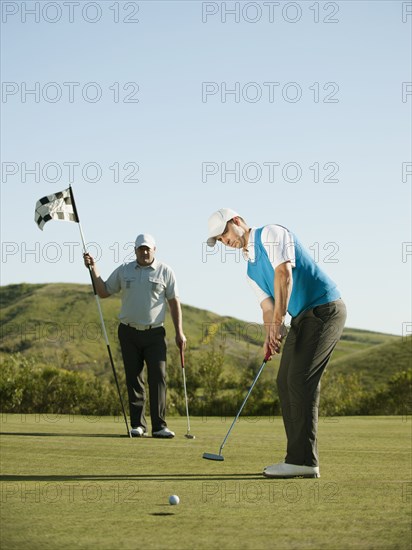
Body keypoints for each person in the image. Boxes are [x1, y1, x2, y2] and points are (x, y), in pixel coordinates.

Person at [206, 208, 347, 478]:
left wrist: (280, 319)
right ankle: (298, 459)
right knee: (284, 380)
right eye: (220, 241)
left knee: (299, 378)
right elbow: (268, 309)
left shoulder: (270, 233)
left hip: (326, 309)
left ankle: (304, 461)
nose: (226, 242)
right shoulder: (249, 271)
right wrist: (270, 335)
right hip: (303, 318)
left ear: (237, 221)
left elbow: (284, 275)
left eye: (224, 233)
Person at [83, 234, 186, 438]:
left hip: (155, 333)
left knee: (158, 377)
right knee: (134, 378)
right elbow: (103, 291)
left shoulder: (165, 271)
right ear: (135, 250)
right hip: (128, 332)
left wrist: (179, 332)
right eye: (141, 249)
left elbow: (174, 302)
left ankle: (159, 426)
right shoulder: (124, 270)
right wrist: (93, 268)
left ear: (154, 249)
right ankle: (138, 425)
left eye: (148, 248)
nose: (144, 252)